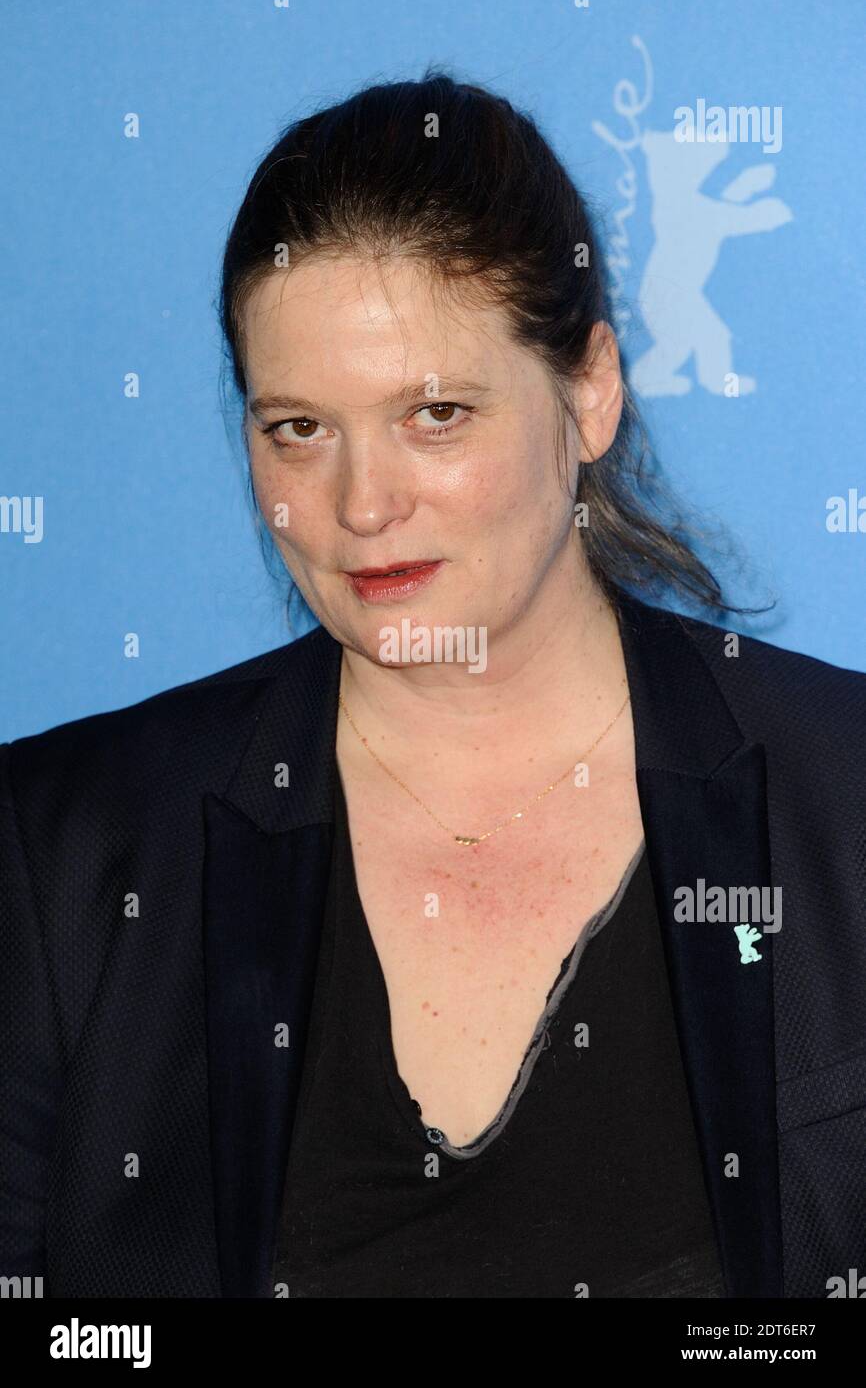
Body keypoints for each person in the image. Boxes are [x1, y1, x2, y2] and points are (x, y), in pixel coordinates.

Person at [2, 71, 865, 1300]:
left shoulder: (843, 801)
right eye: (297, 427)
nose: (360, 506)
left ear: (590, 391)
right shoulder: (67, 847)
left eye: (436, 413)